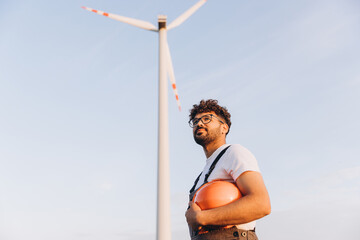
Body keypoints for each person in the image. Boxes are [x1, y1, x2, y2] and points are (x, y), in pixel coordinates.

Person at [185, 99, 271, 240]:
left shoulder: (234, 152)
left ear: (224, 128)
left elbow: (261, 204)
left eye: (207, 119)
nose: (199, 123)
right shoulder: (202, 175)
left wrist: (201, 217)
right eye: (195, 121)